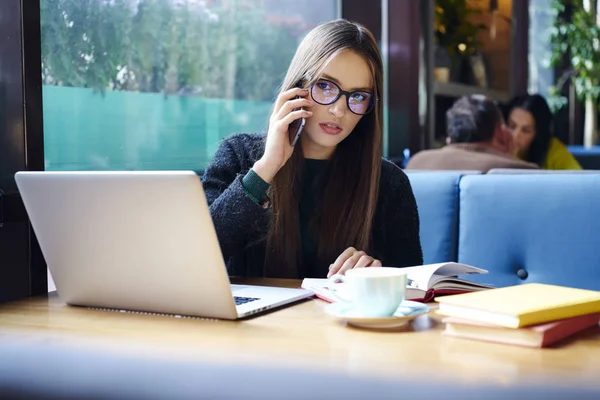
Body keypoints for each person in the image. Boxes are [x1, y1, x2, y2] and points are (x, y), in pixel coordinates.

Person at [201, 19, 423, 279]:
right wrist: (266, 167)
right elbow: (197, 255)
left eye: (358, 96)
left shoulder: (388, 183)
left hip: (339, 320)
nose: (338, 110)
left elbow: (413, 285)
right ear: (298, 86)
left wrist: (377, 274)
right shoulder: (239, 154)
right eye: (325, 86)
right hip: (251, 319)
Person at [405, 95, 538, 173]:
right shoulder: (522, 172)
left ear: (449, 139)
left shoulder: (416, 163)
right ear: (501, 133)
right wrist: (509, 155)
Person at [506, 94, 582, 170]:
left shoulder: (553, 150)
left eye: (526, 131)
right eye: (512, 126)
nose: (516, 135)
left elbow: (579, 178)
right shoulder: (496, 145)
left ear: (538, 134)